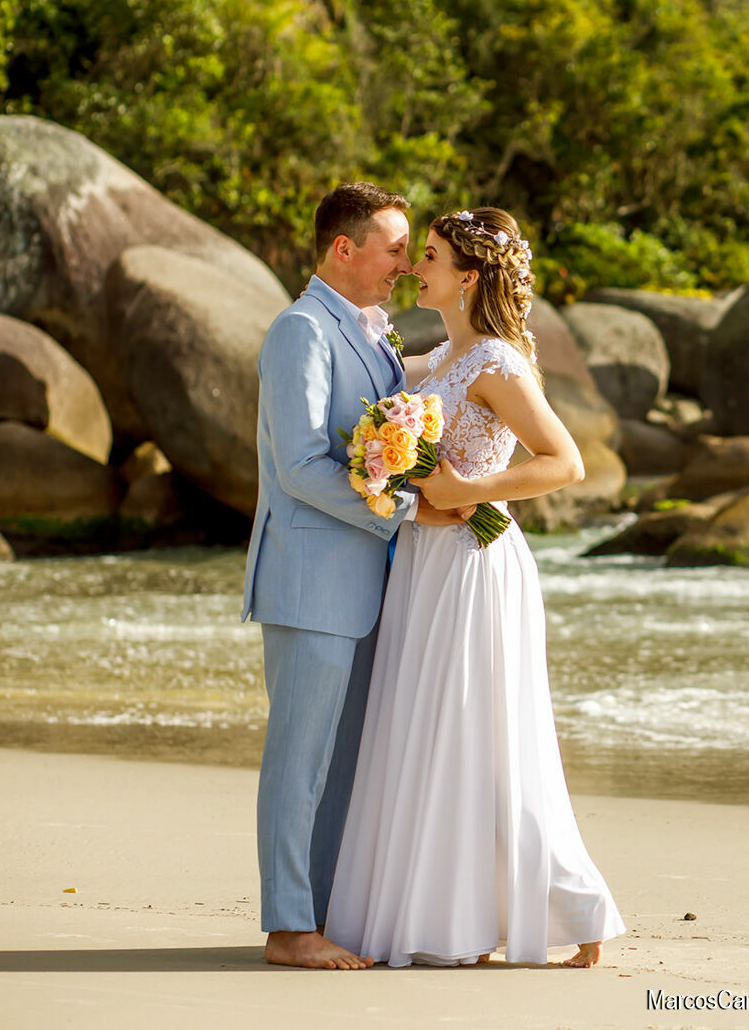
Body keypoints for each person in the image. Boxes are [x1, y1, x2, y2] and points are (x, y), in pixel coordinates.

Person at [323, 206, 626, 968]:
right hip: (423, 568)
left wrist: (469, 491)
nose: (412, 266)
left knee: (484, 738)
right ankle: (455, 917)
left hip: (473, 562)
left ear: (468, 276)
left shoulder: (496, 362)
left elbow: (564, 463)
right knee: (429, 740)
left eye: (426, 255)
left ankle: (573, 908)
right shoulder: (436, 360)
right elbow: (408, 451)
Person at [241, 182, 471, 970]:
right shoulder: (300, 331)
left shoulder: (375, 336)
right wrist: (406, 513)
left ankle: (327, 914)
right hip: (310, 579)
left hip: (370, 585)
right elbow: (302, 467)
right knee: (300, 760)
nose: (405, 265)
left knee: (346, 763)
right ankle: (288, 928)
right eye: (396, 247)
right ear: (345, 249)